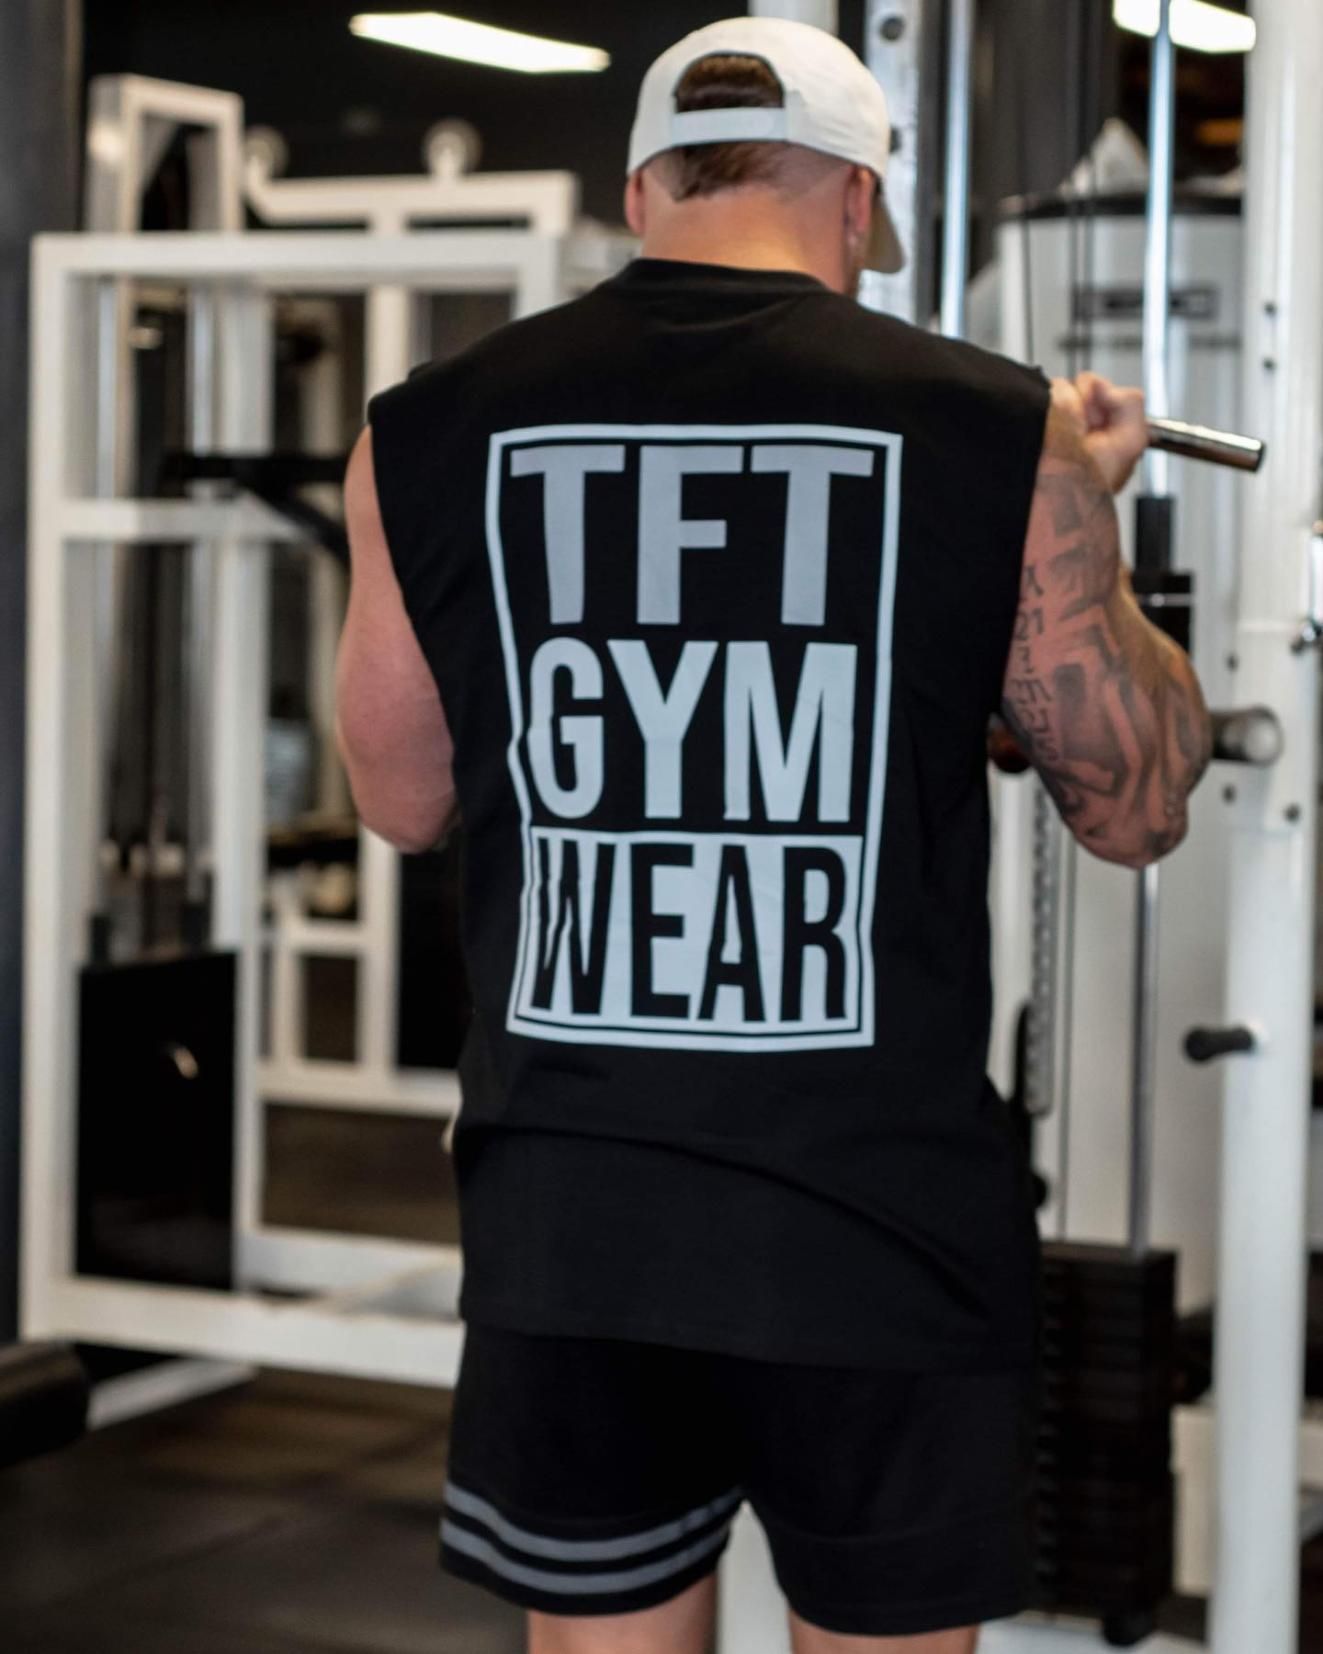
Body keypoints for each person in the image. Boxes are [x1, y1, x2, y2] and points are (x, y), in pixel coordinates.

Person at [335, 17, 1211, 1654]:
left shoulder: (420, 428)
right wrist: (1083, 500)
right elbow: (1138, 804)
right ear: (862, 204)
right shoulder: (994, 428)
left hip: (573, 1222)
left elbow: (398, 797)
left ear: (640, 188)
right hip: (871, 1230)